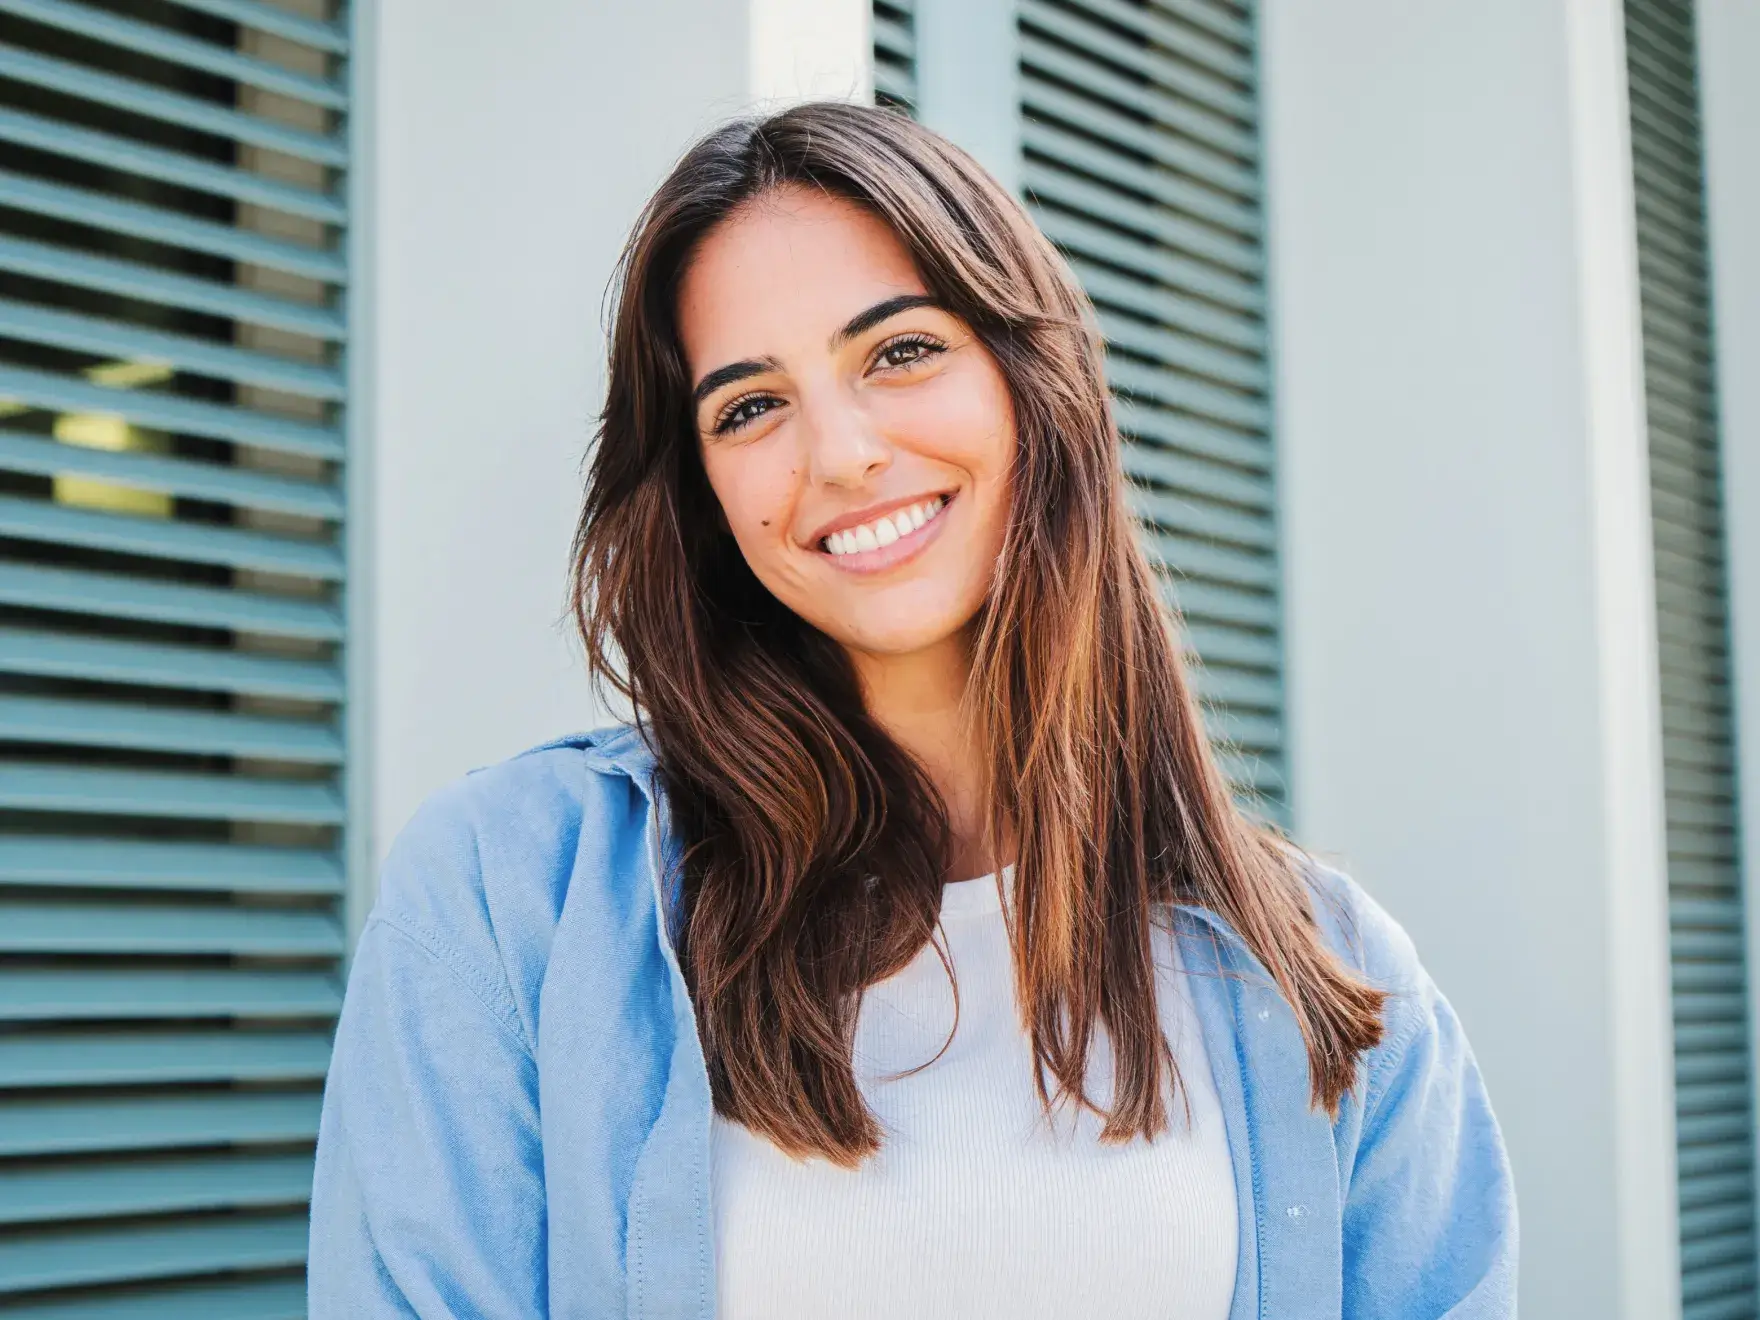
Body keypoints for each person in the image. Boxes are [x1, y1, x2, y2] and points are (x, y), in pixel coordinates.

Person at [308, 102, 1516, 1319]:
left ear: (1029, 380)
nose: (838, 454)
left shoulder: (1333, 974)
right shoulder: (507, 896)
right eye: (747, 407)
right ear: (702, 496)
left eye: (899, 352)